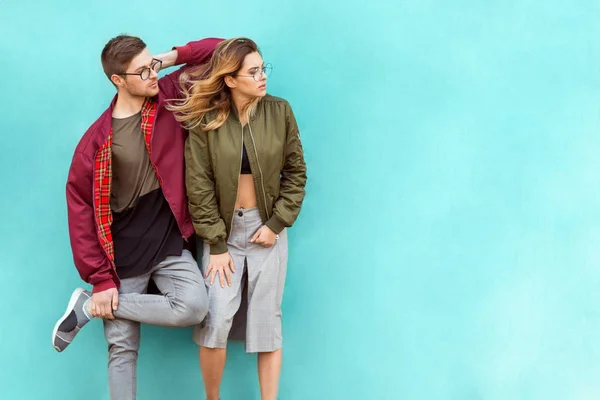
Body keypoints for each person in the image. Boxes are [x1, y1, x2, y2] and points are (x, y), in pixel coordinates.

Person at [51, 34, 222, 400]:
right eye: (141, 71)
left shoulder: (168, 96)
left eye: (151, 66)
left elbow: (227, 49)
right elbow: (80, 213)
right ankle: (98, 300)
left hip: (168, 238)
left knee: (194, 305)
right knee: (122, 349)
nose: (151, 74)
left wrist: (167, 57)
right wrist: (100, 279)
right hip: (122, 251)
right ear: (117, 80)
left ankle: (91, 308)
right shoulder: (96, 142)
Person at [170, 37, 307, 400]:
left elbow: (296, 173)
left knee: (266, 323)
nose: (263, 77)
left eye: (264, 69)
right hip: (224, 235)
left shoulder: (280, 111)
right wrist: (215, 244)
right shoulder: (207, 120)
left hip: (268, 230)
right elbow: (197, 187)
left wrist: (276, 224)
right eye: (253, 71)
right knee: (214, 319)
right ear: (230, 79)